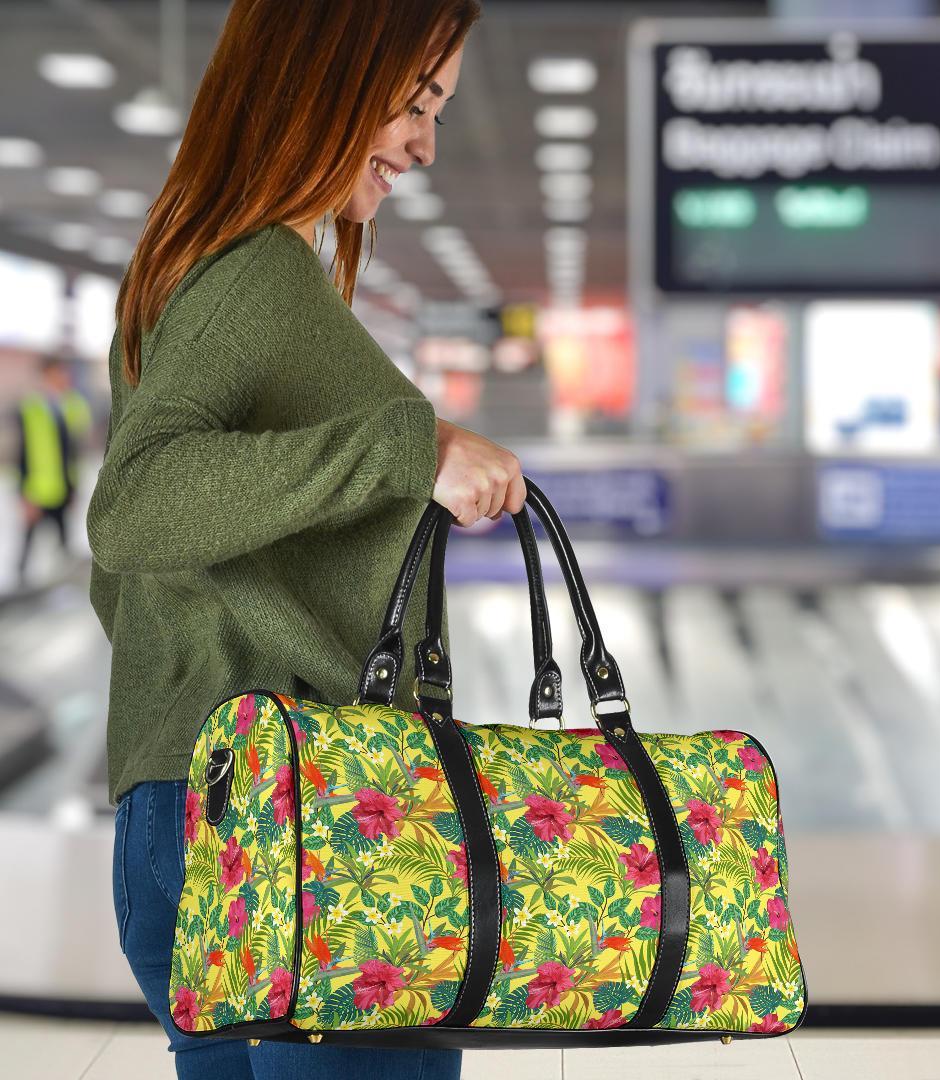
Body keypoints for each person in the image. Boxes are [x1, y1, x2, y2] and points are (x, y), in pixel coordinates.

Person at [88, 3, 523, 1077]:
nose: (424, 142)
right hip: (310, 823)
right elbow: (134, 505)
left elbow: (135, 575)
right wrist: (406, 452)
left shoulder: (190, 267)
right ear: (324, 70)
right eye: (416, 102)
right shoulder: (254, 276)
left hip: (197, 805)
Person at [13, 353, 92, 587]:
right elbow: (22, 453)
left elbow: (75, 445)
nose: (65, 377)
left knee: (64, 545)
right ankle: (18, 593)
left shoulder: (70, 404)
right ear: (47, 374)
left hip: (63, 488)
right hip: (37, 490)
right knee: (27, 547)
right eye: (60, 372)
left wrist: (73, 488)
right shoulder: (31, 407)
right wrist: (24, 495)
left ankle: (61, 589)